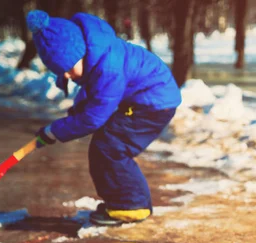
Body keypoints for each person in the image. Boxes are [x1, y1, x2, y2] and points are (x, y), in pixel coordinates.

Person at [26, 10, 182, 226]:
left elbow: (94, 117)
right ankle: (128, 202)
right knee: (107, 146)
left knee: (110, 148)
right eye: (62, 73)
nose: (68, 76)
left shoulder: (108, 66)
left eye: (69, 69)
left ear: (80, 53)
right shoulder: (94, 56)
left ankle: (130, 206)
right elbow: (93, 94)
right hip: (142, 99)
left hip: (153, 104)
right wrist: (74, 115)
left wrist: (56, 130)